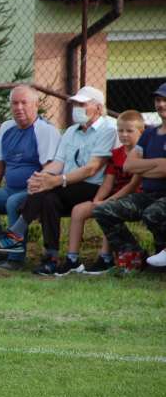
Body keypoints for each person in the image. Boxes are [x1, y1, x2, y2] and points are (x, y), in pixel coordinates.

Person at [0, 86, 117, 275]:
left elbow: (91, 168)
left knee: (48, 191)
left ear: (98, 107)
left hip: (94, 186)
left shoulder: (108, 129)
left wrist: (57, 181)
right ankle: (51, 258)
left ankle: (16, 232)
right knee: (47, 198)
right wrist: (41, 177)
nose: (77, 108)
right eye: (75, 104)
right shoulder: (71, 131)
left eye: (82, 104)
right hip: (69, 186)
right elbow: (58, 162)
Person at [0, 85, 62, 271]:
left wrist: (34, 191)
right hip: (9, 189)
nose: (19, 107)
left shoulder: (45, 131)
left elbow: (50, 171)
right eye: (14, 103)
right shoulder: (6, 127)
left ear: (36, 105)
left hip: (32, 192)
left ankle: (15, 258)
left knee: (13, 202)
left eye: (24, 103)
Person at [61, 111, 143, 275]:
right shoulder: (116, 154)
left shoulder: (142, 153)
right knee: (79, 210)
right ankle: (72, 259)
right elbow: (108, 182)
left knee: (107, 210)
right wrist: (98, 199)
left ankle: (106, 258)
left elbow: (133, 185)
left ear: (141, 131)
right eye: (120, 131)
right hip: (112, 197)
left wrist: (108, 201)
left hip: (133, 198)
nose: (124, 135)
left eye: (129, 131)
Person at [94, 109, 166, 271]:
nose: (161, 104)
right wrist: (159, 163)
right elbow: (129, 166)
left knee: (152, 213)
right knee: (103, 211)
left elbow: (163, 169)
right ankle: (136, 256)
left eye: (165, 100)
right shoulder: (149, 134)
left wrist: (144, 168)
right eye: (158, 100)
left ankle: (161, 257)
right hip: (147, 195)